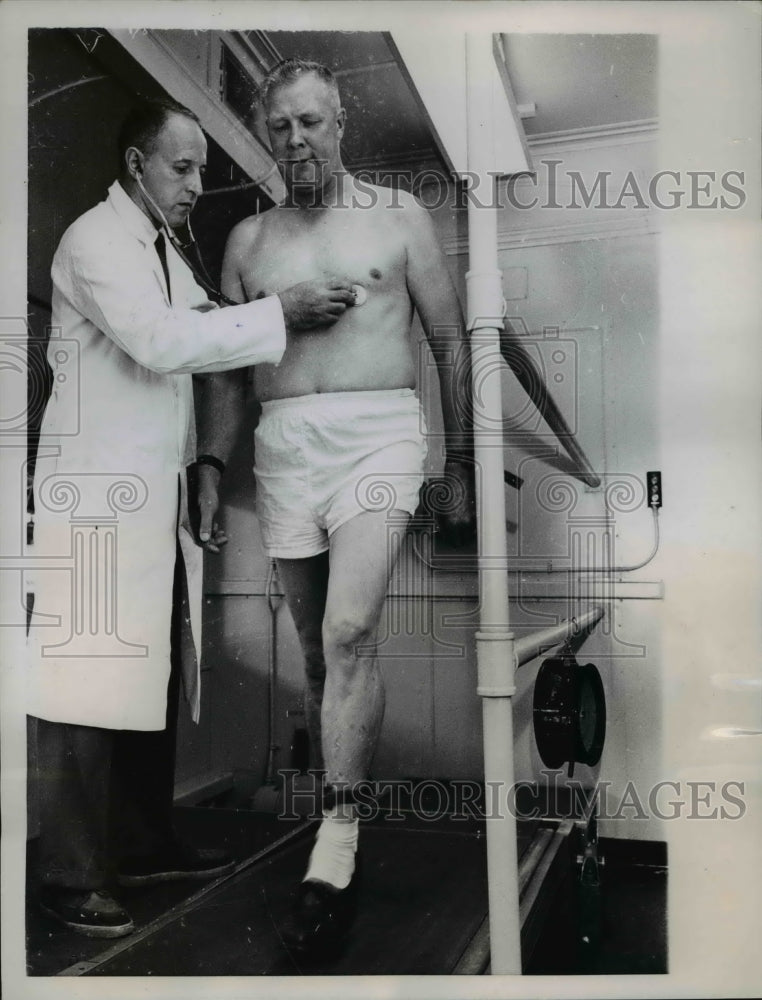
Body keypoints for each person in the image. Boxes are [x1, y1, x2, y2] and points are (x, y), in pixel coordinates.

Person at [26, 95, 357, 939]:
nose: (197, 185)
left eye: (201, 169)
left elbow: (203, 344)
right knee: (82, 683)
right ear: (136, 164)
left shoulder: (166, 255)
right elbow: (163, 343)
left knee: (151, 673)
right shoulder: (96, 241)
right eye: (182, 168)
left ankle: (140, 846)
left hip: (152, 500)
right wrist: (279, 310)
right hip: (92, 503)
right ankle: (68, 875)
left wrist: (206, 469)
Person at [202, 60, 476, 955]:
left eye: (311, 122)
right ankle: (339, 811)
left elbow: (449, 342)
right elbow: (228, 371)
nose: (296, 141)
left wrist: (460, 463)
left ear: (341, 122)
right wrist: (210, 463)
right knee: (320, 654)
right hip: (285, 445)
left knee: (351, 630)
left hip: (377, 435)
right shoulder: (248, 240)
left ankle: (339, 840)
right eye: (280, 127)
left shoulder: (398, 217)